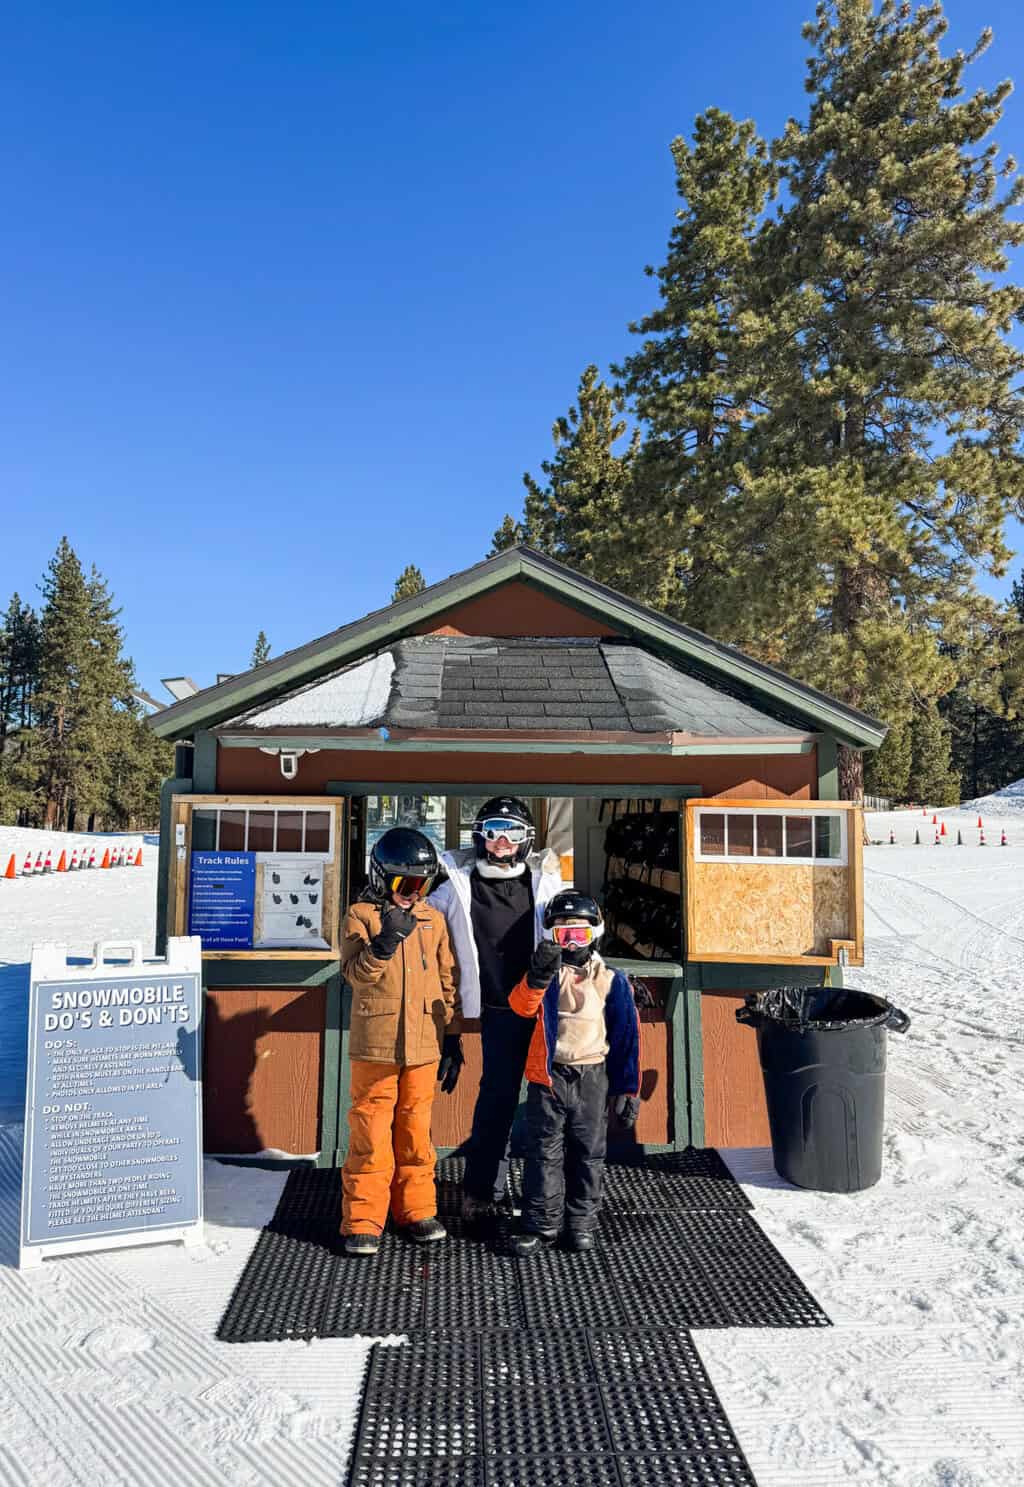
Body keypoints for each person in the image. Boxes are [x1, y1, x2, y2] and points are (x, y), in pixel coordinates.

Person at [428, 796, 562, 1225]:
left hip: (544, 1007)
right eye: (494, 830)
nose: (502, 841)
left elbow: (578, 932)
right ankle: (482, 1191)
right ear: (479, 835)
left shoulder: (546, 884)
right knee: (497, 1101)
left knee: (552, 1102)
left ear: (527, 839)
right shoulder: (457, 884)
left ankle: (549, 1199)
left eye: (513, 832)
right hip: (498, 1008)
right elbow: (422, 927)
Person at [340, 827, 463, 1257]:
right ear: (381, 878)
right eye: (404, 885)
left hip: (424, 1044)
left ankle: (415, 1208)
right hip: (377, 1043)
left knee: (415, 1130)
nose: (413, 894)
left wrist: (452, 1037)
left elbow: (447, 980)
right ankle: (363, 1219)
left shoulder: (432, 919)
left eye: (422, 885)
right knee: (371, 1131)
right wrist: (385, 943)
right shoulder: (362, 916)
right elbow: (354, 974)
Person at [506, 889, 641, 1255]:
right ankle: (542, 1222)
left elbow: (627, 1033)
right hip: (549, 1075)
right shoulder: (545, 973)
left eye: (578, 934)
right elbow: (519, 1007)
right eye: (562, 934)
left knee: (588, 1151)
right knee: (543, 1151)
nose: (570, 942)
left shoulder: (610, 978)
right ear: (550, 936)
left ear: (594, 933)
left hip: (591, 1075)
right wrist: (536, 976)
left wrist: (627, 1087)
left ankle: (581, 1222)